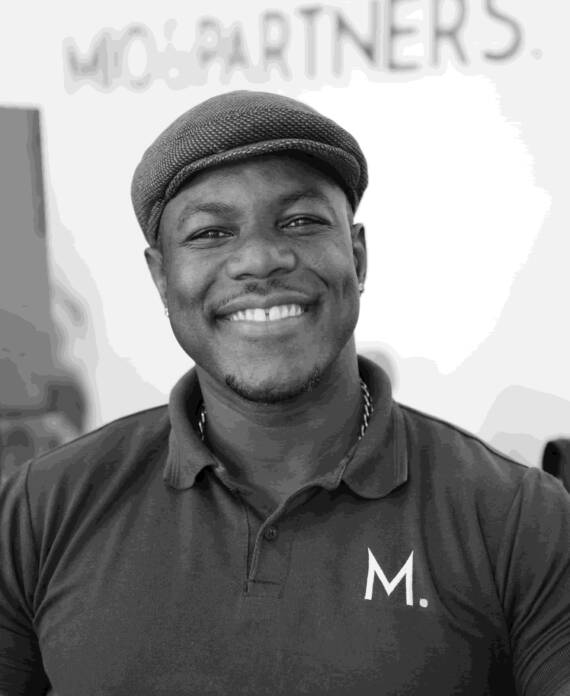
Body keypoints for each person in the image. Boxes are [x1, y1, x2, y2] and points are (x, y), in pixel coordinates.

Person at [1, 90, 569, 696]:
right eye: (210, 232)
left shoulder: (519, 518)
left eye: (300, 221)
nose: (259, 259)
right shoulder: (42, 508)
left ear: (357, 256)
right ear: (162, 278)